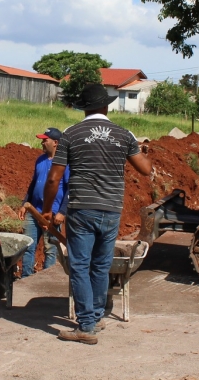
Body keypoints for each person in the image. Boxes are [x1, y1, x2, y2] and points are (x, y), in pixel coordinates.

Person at [43, 83, 151, 344]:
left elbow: (54, 178)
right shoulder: (124, 135)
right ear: (107, 105)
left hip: (82, 209)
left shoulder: (71, 134)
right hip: (112, 208)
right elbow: (145, 170)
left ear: (83, 108)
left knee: (80, 265)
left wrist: (47, 209)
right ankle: (97, 317)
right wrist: (142, 151)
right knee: (101, 265)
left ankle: (86, 326)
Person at [19, 127, 69, 277]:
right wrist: (24, 204)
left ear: (55, 142)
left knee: (50, 249)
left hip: (52, 213)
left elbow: (70, 189)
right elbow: (33, 184)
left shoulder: (64, 163)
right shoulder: (40, 160)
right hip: (34, 210)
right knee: (28, 246)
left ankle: (46, 280)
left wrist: (62, 212)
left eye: (44, 140)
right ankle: (26, 279)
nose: (42, 143)